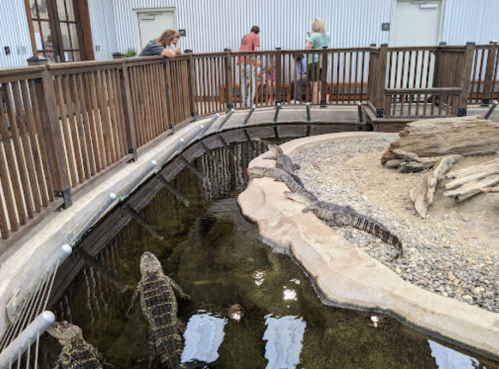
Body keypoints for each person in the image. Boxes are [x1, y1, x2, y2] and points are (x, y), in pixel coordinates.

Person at [306, 18, 330, 105]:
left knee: (314, 84)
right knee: (321, 82)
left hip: (314, 61)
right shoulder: (327, 34)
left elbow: (307, 48)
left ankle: (315, 104)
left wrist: (308, 39)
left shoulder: (314, 35)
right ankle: (322, 101)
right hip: (324, 60)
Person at [238, 26, 260, 107]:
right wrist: (254, 61)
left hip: (240, 61)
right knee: (252, 82)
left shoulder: (245, 36)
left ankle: (244, 102)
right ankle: (250, 101)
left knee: (243, 82)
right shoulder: (255, 36)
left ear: (251, 30)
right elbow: (255, 49)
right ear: (258, 32)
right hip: (248, 61)